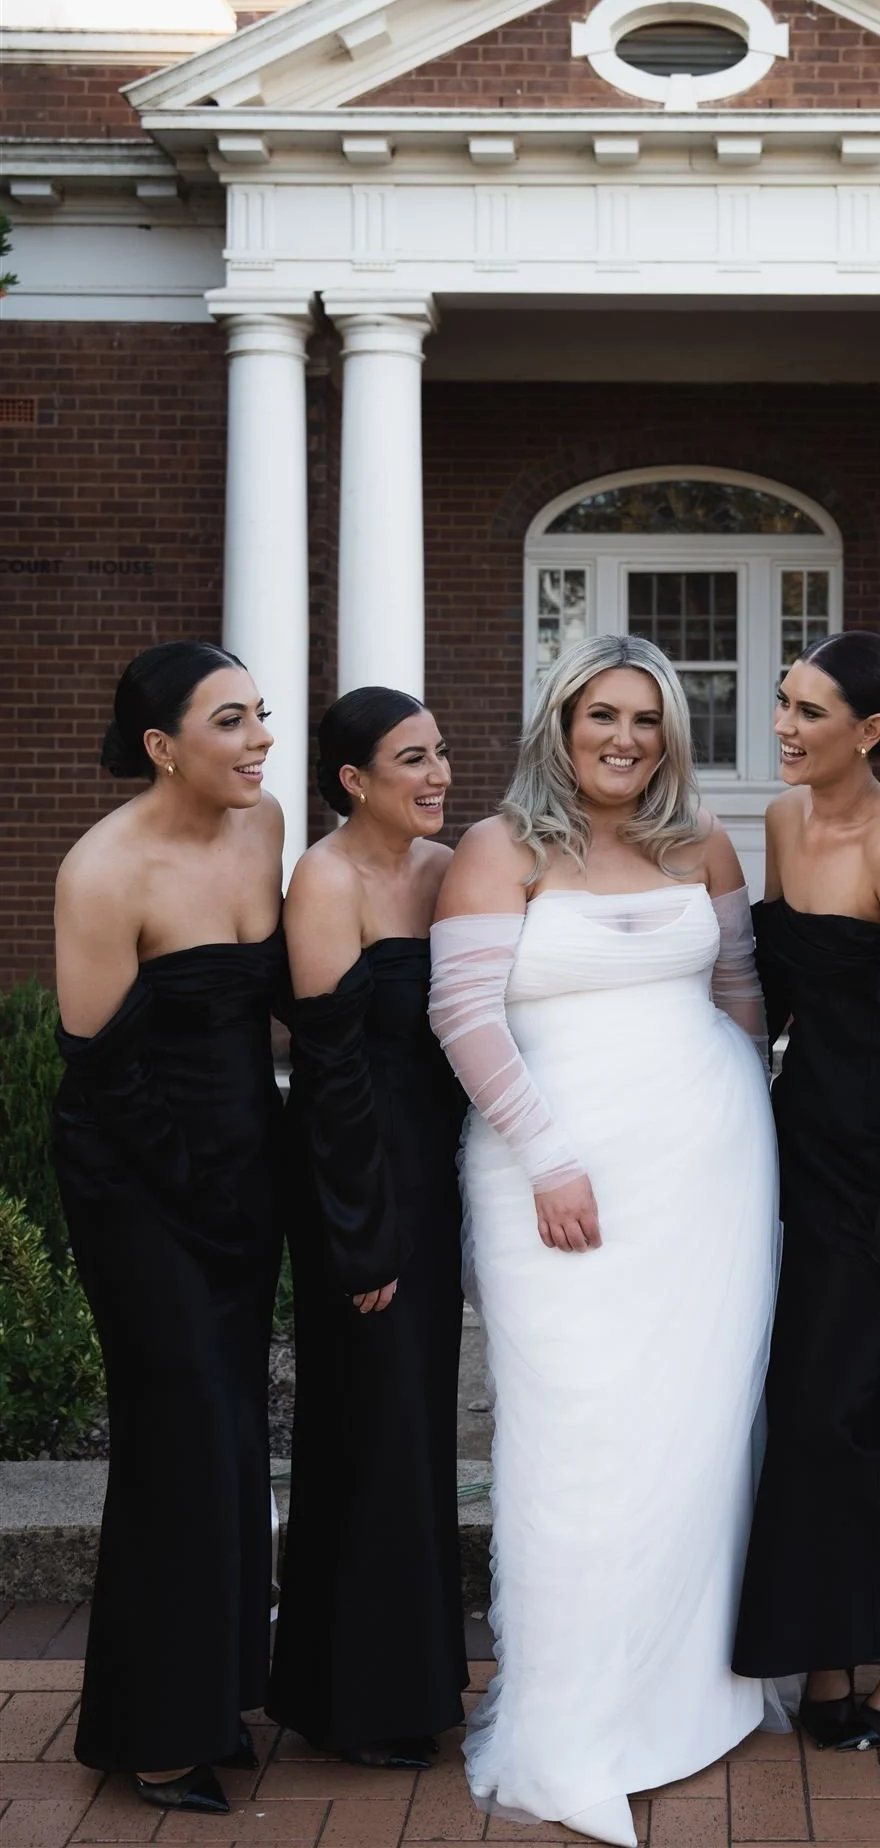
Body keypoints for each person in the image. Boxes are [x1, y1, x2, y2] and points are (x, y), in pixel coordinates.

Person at [426, 634, 778, 1847]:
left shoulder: (704, 842)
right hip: (556, 1178)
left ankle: (687, 1695)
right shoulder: (500, 847)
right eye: (600, 717)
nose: (623, 739)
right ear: (560, 726)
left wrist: (746, 1125)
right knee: (577, 1433)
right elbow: (462, 1011)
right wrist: (549, 1155)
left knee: (693, 1427)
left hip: (708, 1180)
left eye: (645, 720)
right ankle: (571, 1726)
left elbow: (740, 989)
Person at [51, 642, 285, 1814]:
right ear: (161, 746)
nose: (257, 739)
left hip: (244, 1171)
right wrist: (207, 1191)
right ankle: (149, 1730)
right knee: (181, 1428)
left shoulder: (264, 823)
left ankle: (217, 1694)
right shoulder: (103, 869)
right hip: (138, 1185)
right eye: (231, 720)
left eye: (261, 715)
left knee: (234, 1429)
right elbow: (96, 1076)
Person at [732, 631, 880, 1753]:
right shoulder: (780, 821)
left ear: (869, 732)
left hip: (877, 1171)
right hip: (790, 1148)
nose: (784, 723)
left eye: (810, 710)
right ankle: (825, 1660)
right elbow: (775, 1001)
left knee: (837, 1413)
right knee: (797, 1412)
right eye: (783, 700)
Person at [267, 687, 469, 1768]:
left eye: (439, 753)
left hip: (435, 1172)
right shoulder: (326, 879)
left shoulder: (447, 872)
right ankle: (356, 1698)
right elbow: (330, 1068)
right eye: (411, 759)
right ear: (353, 780)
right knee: (367, 1421)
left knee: (418, 1424)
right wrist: (359, 1235)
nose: (437, 774)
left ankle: (415, 1681)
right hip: (358, 1177)